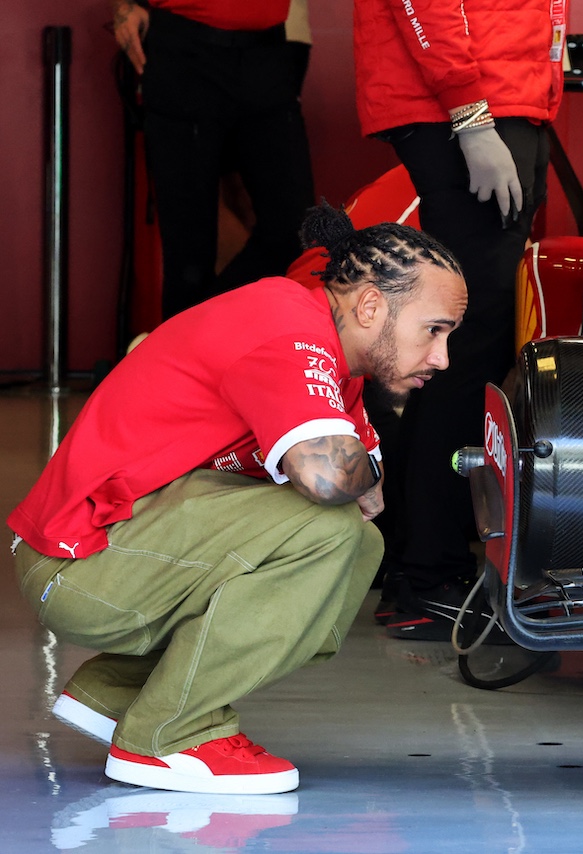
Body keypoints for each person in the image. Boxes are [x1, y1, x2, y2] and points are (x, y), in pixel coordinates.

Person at [8, 204, 467, 795]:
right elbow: (336, 481)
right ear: (372, 305)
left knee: (355, 545)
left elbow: (364, 493)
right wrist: (352, 472)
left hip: (123, 550)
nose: (441, 358)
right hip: (78, 564)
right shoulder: (287, 330)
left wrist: (355, 473)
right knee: (326, 532)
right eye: (434, 330)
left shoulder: (334, 357)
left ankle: (119, 691)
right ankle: (169, 736)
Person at [351, 0, 566, 639]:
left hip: (509, 100)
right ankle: (427, 577)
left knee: (472, 343)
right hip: (468, 109)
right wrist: (471, 118)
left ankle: (412, 557)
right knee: (466, 345)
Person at [111, 0, 316, 318]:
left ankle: (194, 333)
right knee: (189, 253)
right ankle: (183, 353)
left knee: (295, 230)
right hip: (185, 52)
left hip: (269, 49)